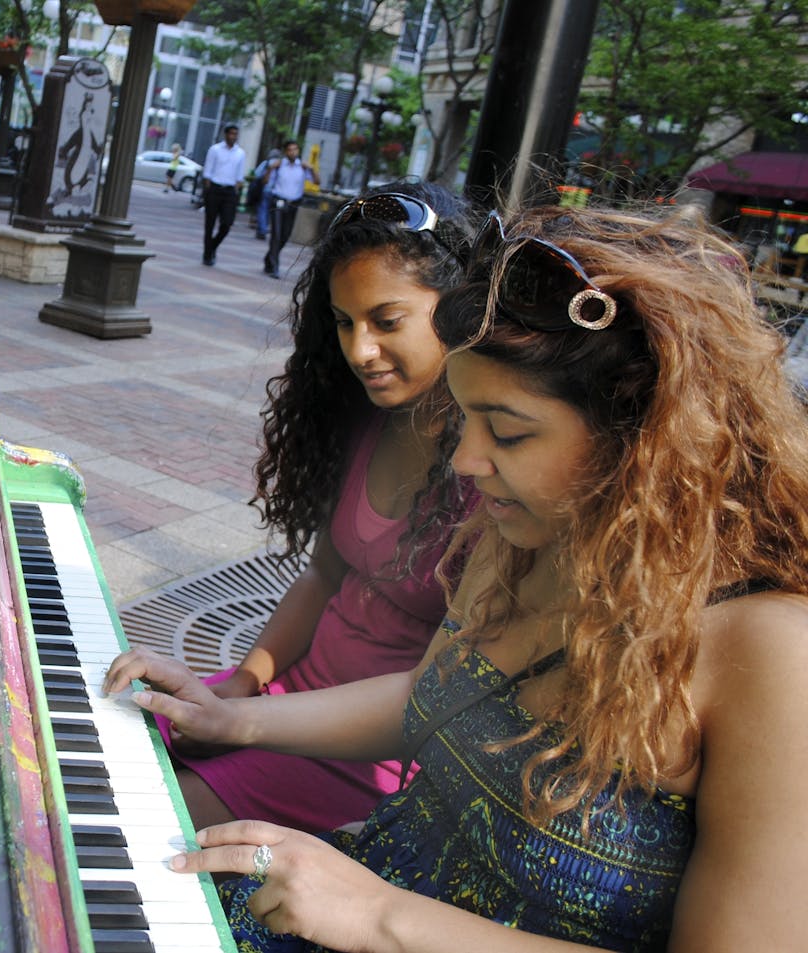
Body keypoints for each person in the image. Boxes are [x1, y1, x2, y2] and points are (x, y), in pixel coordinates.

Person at [106, 204, 808, 951]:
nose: (469, 461)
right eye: (466, 419)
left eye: (506, 430)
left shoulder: (768, 653)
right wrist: (232, 716)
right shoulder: (519, 539)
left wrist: (382, 916)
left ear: (644, 435)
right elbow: (431, 692)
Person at [133, 183, 481, 836]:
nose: (359, 350)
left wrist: (242, 719)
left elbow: (434, 699)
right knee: (99, 736)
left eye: (386, 320)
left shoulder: (490, 475)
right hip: (282, 697)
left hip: (364, 752)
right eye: (345, 323)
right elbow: (323, 578)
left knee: (148, 819)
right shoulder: (370, 420)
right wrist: (244, 680)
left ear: (459, 307)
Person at [262, 140, 321, 279]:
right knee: (276, 234)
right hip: (278, 201)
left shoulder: (303, 167)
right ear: (285, 152)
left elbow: (317, 182)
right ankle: (274, 266)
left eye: (295, 149)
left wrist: (312, 168)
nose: (292, 152)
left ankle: (269, 258)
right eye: (290, 150)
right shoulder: (279, 165)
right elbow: (264, 182)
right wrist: (270, 168)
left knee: (285, 235)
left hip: (293, 204)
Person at [202, 124, 247, 266]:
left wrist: (236, 191)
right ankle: (207, 255)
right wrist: (208, 191)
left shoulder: (240, 153)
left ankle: (212, 247)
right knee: (209, 224)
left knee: (226, 224)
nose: (233, 136)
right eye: (231, 133)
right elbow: (207, 172)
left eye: (236, 134)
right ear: (225, 134)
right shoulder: (215, 150)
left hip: (229, 192)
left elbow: (239, 176)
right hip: (214, 189)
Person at [249, 148, 282, 239]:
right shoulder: (281, 164)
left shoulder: (266, 163)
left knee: (262, 209)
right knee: (270, 211)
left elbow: (257, 174)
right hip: (277, 192)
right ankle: (265, 227)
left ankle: (262, 230)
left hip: (265, 190)